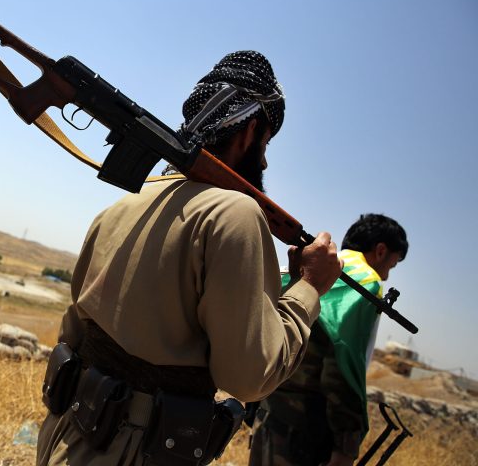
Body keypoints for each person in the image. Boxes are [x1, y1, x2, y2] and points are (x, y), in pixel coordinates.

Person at [36, 51, 343, 466]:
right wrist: (308, 287)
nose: (266, 159)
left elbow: (73, 329)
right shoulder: (235, 214)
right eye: (266, 142)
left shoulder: (132, 198)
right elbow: (248, 377)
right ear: (248, 131)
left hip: (64, 437)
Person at [248, 213, 409, 466]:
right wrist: (346, 445)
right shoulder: (366, 282)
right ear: (380, 251)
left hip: (267, 415)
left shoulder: (317, 264)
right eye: (393, 264)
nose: (387, 276)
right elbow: (342, 363)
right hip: (304, 434)